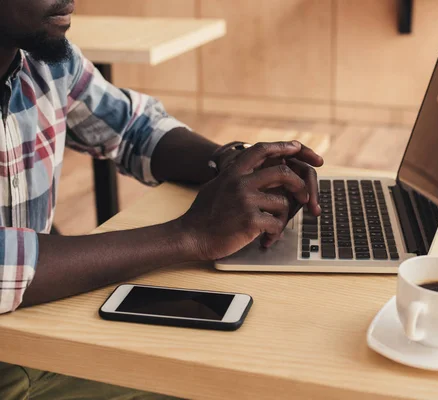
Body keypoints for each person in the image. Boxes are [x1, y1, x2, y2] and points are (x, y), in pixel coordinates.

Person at [0, 0, 323, 398]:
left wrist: (233, 164)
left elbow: (135, 127)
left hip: (31, 332)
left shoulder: (44, 58)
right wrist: (189, 235)